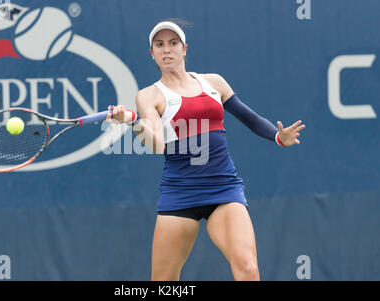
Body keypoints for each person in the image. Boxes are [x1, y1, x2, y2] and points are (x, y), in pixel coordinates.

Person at [107, 19, 305, 281]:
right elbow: (156, 144)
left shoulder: (214, 83)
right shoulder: (149, 96)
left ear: (184, 49)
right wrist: (134, 122)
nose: (167, 50)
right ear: (152, 54)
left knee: (248, 269)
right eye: (159, 45)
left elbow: (251, 119)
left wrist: (278, 137)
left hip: (224, 189)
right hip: (179, 193)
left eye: (173, 43)